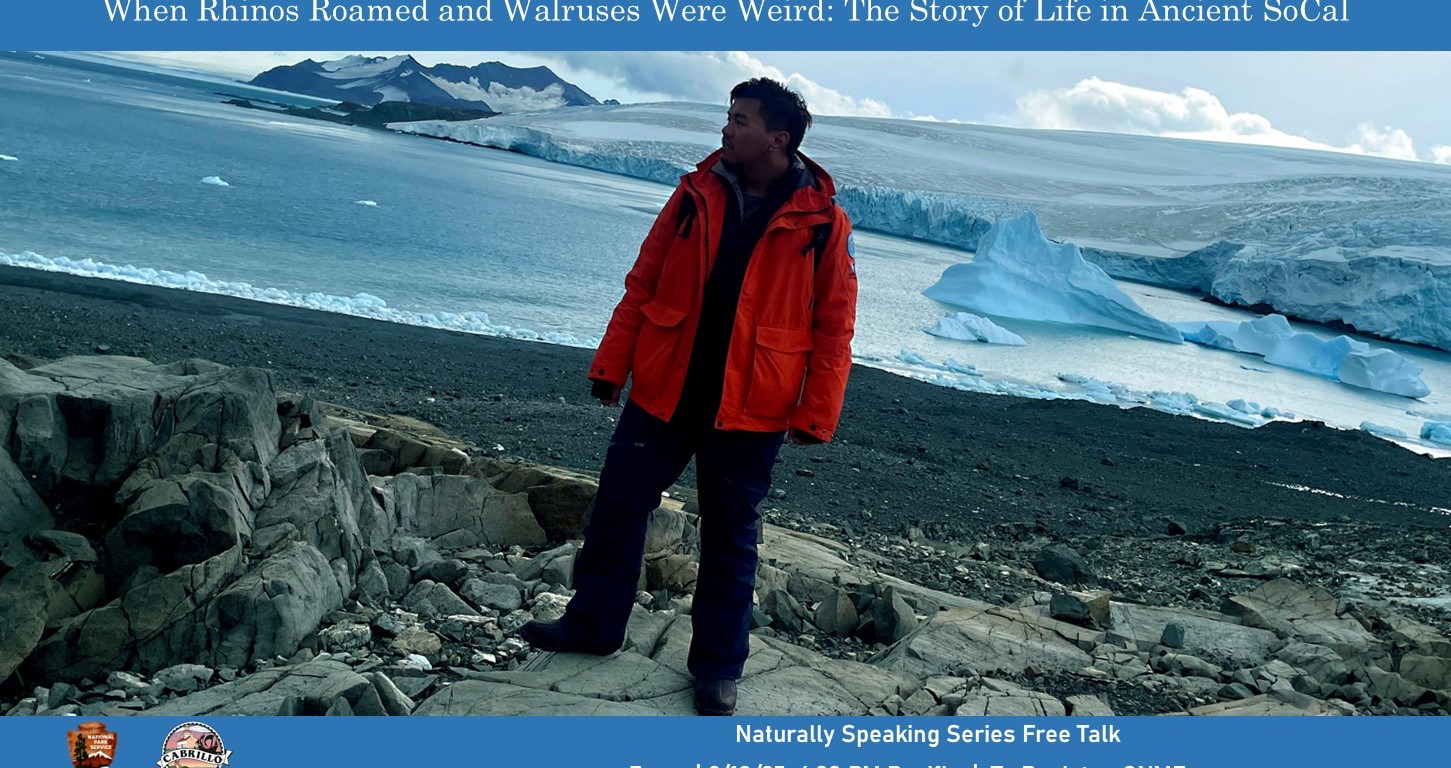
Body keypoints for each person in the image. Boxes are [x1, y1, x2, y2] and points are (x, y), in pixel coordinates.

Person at [519, 78, 858, 716]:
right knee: (619, 505)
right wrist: (611, 363)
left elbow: (834, 324)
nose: (726, 129)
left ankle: (718, 667)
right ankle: (594, 626)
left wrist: (817, 412)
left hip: (752, 404)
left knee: (731, 538)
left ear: (778, 139)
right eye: (727, 117)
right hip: (665, 385)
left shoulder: (822, 223)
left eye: (740, 120)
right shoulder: (693, 194)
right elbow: (644, 281)